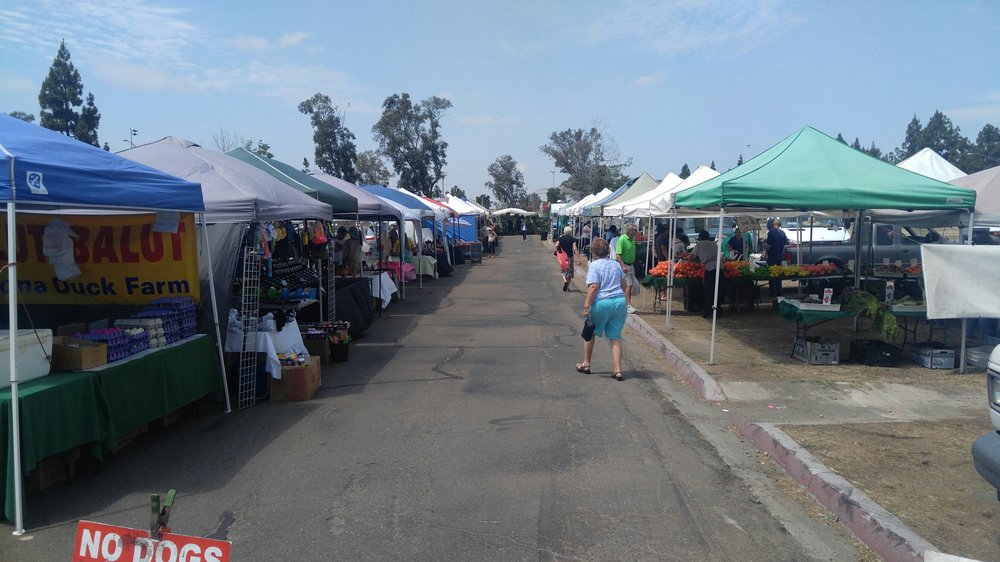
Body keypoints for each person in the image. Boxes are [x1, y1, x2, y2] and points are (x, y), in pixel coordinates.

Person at [578, 237, 628, 381]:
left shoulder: (594, 265)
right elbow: (624, 283)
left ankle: (586, 363)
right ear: (607, 251)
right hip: (619, 302)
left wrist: (586, 306)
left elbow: (593, 287)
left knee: (590, 333)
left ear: (593, 252)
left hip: (602, 302)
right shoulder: (616, 265)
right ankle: (618, 369)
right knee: (615, 337)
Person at [693, 230, 719, 318]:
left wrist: (685, 257)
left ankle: (707, 311)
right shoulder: (714, 244)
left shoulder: (699, 244)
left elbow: (692, 255)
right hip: (720, 268)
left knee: (708, 290)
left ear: (700, 238)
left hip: (710, 268)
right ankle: (717, 309)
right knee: (717, 290)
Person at [615, 224, 639, 313]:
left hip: (631, 265)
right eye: (634, 230)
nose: (636, 232)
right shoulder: (622, 239)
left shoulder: (632, 240)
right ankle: (628, 305)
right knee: (628, 285)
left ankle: (627, 303)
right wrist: (622, 265)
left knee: (630, 285)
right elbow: (618, 254)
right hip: (625, 265)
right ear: (629, 231)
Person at [765, 218, 788, 305]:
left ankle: (772, 291)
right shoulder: (782, 233)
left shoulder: (770, 233)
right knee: (778, 274)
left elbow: (769, 245)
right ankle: (779, 291)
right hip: (780, 256)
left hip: (772, 256)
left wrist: (765, 253)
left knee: (772, 273)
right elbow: (785, 243)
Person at [555, 225, 576, 291]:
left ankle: (565, 281)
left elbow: (556, 245)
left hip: (562, 257)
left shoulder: (560, 238)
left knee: (563, 270)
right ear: (570, 232)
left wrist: (558, 250)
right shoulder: (572, 239)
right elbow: (575, 248)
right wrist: (578, 257)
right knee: (569, 272)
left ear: (564, 231)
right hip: (570, 256)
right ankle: (568, 286)